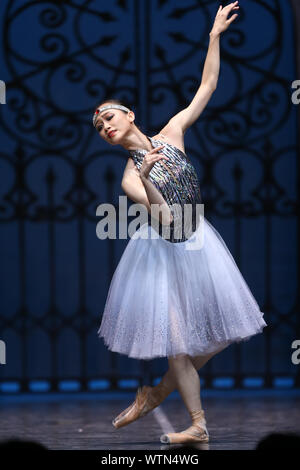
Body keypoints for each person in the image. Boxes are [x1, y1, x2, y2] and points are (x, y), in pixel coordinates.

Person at [94, 1, 266, 445]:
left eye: (108, 116)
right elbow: (165, 217)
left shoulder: (173, 132)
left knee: (220, 336)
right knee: (177, 342)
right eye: (98, 127)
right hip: (162, 250)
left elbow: (207, 86)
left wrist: (213, 36)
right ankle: (198, 425)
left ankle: (155, 394)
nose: (104, 125)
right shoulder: (131, 175)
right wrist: (148, 178)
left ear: (129, 113)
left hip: (198, 241)